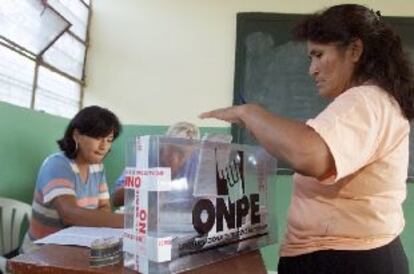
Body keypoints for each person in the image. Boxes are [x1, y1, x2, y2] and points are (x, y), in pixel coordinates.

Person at [200, 4, 413, 274]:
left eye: (318, 55)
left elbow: (308, 155)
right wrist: (264, 128)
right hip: (348, 256)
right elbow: (308, 144)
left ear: (355, 50)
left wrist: (250, 112)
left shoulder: (364, 100)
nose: (312, 70)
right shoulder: (373, 101)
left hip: (347, 260)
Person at [22, 106, 124, 253]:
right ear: (76, 135)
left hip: (75, 248)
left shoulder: (97, 168)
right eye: (97, 137)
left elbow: (105, 208)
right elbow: (69, 213)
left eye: (109, 140)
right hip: (40, 253)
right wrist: (131, 221)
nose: (104, 146)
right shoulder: (57, 164)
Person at [111, 121, 200, 207]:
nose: (174, 158)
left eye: (181, 153)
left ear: (191, 153)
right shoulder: (144, 157)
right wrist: (145, 183)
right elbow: (115, 199)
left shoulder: (195, 163)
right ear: (164, 143)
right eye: (171, 148)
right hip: (145, 218)